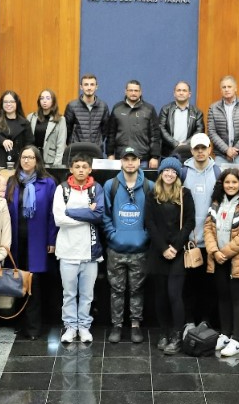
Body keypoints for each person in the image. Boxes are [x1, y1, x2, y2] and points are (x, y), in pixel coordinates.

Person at [4, 145, 58, 339]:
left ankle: (34, 328)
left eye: (30, 157)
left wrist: (52, 239)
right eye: (23, 157)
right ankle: (20, 323)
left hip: (38, 241)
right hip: (16, 241)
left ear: (37, 160)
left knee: (34, 284)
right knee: (18, 282)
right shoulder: (12, 182)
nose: (26, 161)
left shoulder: (48, 182)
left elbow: (54, 214)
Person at [204, 169, 239, 357]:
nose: (230, 185)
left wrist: (224, 253)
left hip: (238, 261)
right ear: (222, 184)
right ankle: (225, 334)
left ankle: (236, 340)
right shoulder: (216, 204)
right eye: (227, 182)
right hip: (218, 259)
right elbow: (208, 228)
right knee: (223, 298)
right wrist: (214, 251)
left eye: (234, 182)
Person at [145, 157, 195, 354]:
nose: (170, 174)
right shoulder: (152, 195)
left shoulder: (185, 194)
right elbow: (149, 224)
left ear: (178, 175)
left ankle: (176, 334)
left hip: (178, 252)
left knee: (175, 295)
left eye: (174, 172)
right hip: (157, 252)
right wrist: (163, 247)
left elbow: (190, 222)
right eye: (167, 171)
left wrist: (174, 246)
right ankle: (164, 332)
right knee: (160, 296)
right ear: (161, 173)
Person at [102, 147, 152, 344]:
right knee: (116, 289)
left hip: (140, 249)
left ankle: (135, 325)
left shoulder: (149, 186)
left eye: (134, 159)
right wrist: (112, 235)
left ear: (140, 162)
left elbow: (153, 219)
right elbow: (104, 214)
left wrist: (145, 236)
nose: (130, 163)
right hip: (116, 248)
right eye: (126, 159)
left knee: (137, 290)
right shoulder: (110, 185)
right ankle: (116, 325)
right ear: (121, 162)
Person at [53, 154, 104, 344]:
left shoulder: (96, 189)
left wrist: (71, 212)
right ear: (71, 169)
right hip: (67, 251)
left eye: (84, 166)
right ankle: (70, 327)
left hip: (90, 252)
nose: (81, 169)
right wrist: (86, 215)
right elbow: (59, 219)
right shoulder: (62, 190)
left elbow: (98, 215)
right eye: (77, 166)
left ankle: (83, 326)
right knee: (69, 294)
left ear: (90, 169)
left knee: (87, 294)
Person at [183, 133, 221, 325]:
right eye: (196, 148)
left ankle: (205, 322)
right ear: (191, 151)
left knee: (209, 286)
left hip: (210, 241)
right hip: (188, 241)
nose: (200, 152)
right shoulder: (183, 172)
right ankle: (189, 322)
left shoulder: (217, 173)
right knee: (189, 286)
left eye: (203, 148)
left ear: (209, 149)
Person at [107, 80, 162, 167]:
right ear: (125, 91)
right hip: (121, 157)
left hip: (143, 159)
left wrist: (154, 157)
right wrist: (110, 154)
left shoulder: (149, 109)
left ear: (140, 92)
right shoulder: (117, 108)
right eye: (131, 90)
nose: (133, 93)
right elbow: (111, 134)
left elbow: (155, 135)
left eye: (136, 91)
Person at [207, 75, 239, 172]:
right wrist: (226, 150)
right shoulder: (213, 108)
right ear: (221, 90)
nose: (226, 89)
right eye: (224, 87)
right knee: (220, 184)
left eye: (229, 87)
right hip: (221, 155)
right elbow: (211, 132)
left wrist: (235, 149)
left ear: (235, 88)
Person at [0, 90, 33, 170]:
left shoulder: (25, 123)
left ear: (17, 103)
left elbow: (29, 144)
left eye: (12, 101)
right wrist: (2, 141)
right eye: (5, 102)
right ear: (2, 104)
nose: (8, 104)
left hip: (18, 164)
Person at [64, 73, 111, 156]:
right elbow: (67, 130)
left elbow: (105, 131)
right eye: (86, 84)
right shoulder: (72, 106)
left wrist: (98, 143)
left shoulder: (103, 106)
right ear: (81, 87)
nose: (89, 87)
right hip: (76, 152)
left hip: (96, 151)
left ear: (96, 87)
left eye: (92, 84)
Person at [159, 81, 205, 158]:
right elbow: (161, 129)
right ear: (174, 93)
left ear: (189, 94)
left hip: (189, 154)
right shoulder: (165, 110)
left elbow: (199, 131)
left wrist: (185, 145)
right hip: (168, 153)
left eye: (184, 90)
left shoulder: (197, 112)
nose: (181, 93)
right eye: (178, 90)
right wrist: (176, 144)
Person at [28, 89, 68, 168]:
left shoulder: (60, 119)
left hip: (50, 160)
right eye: (42, 98)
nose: (44, 101)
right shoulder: (31, 117)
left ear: (53, 101)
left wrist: (56, 165)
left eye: (48, 98)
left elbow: (61, 144)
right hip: (33, 158)